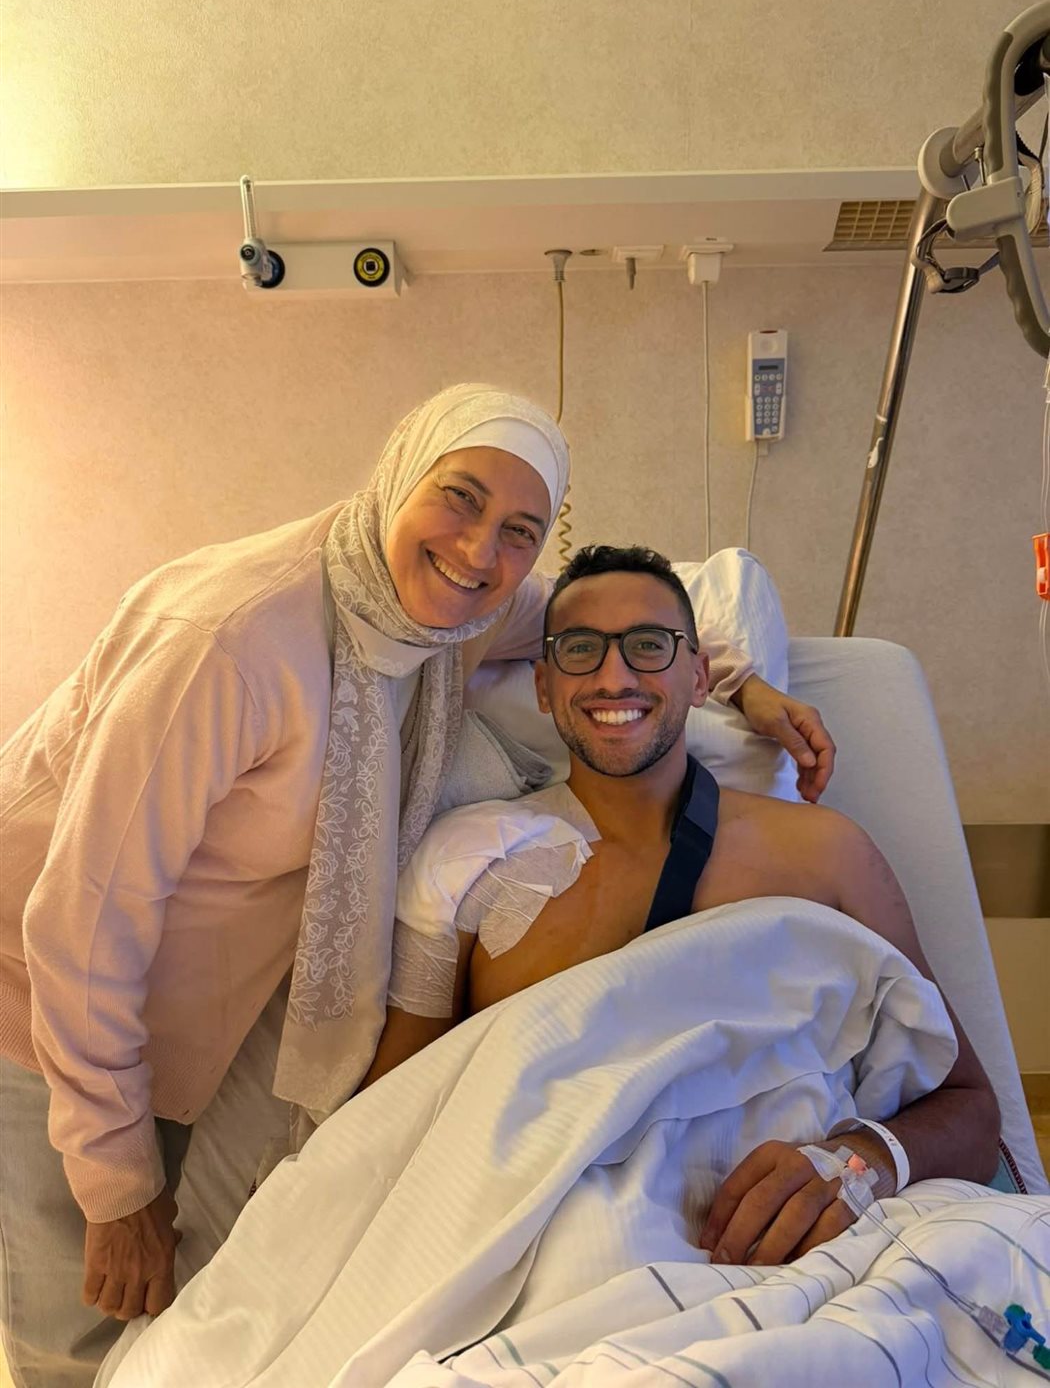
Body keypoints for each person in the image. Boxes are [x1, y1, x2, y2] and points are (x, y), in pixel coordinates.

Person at [0, 389, 834, 1388]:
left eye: (520, 530)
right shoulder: (232, 642)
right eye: (460, 498)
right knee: (75, 1331)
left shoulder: (448, 612)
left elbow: (609, 626)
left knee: (176, 1312)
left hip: (195, 999)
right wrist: (117, 1182)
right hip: (40, 1002)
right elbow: (82, 920)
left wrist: (743, 683)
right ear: (399, 476)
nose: (481, 550)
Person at [363, 542, 999, 1264]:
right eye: (580, 649)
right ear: (543, 685)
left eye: (648, 645)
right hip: (566, 1263)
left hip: (813, 1259)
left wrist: (859, 1165)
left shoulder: (827, 854)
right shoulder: (467, 868)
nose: (614, 677)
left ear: (699, 677)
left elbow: (973, 1109)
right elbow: (389, 1126)